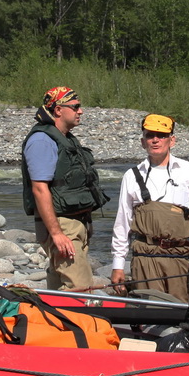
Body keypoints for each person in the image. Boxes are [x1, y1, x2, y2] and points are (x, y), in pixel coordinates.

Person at [108, 113, 189, 300]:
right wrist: (118, 264)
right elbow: (123, 223)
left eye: (161, 135)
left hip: (179, 258)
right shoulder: (131, 176)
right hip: (144, 258)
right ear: (143, 141)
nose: (155, 140)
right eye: (150, 135)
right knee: (148, 311)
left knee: (181, 312)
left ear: (172, 140)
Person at [20, 86, 109, 291]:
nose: (81, 111)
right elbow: (40, 189)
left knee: (61, 283)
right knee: (80, 288)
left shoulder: (64, 138)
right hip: (62, 225)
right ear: (58, 110)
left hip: (74, 223)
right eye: (75, 107)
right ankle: (78, 323)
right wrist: (57, 233)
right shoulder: (42, 140)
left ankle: (55, 321)